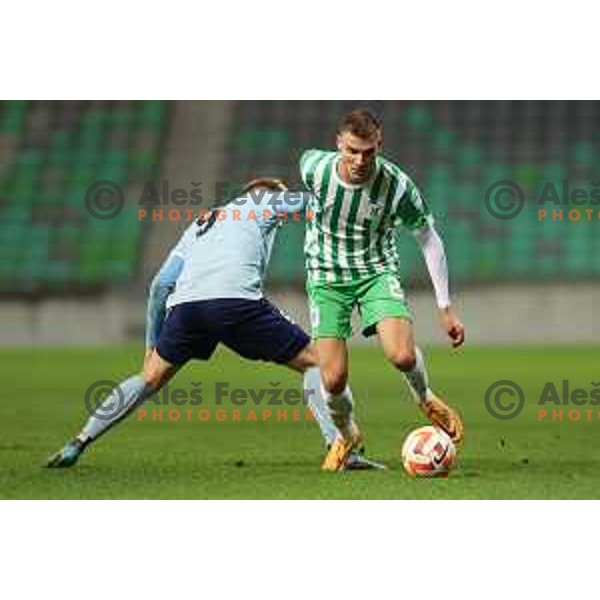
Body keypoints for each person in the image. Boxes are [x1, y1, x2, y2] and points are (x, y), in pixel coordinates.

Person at [46, 178, 384, 470]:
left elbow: (161, 285)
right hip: (234, 301)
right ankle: (341, 448)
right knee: (321, 362)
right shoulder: (264, 200)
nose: (279, 219)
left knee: (149, 378)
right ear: (264, 193)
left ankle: (78, 441)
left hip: (187, 308)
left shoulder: (201, 222)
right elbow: (316, 201)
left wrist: (152, 345)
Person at [300, 109, 466, 470]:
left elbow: (429, 239)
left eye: (369, 152)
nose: (360, 161)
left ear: (380, 143)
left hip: (376, 271)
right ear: (338, 144)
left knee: (402, 355)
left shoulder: (398, 186)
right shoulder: (313, 168)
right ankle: (347, 436)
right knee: (332, 377)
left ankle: (425, 397)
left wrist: (445, 306)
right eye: (352, 151)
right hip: (327, 276)